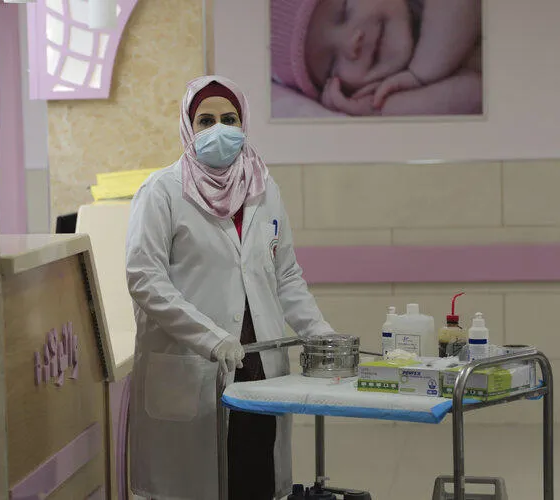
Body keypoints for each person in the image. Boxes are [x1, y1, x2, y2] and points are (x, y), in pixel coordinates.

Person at [125, 75, 334, 500]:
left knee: (253, 476)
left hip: (259, 367)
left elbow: (286, 274)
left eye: (229, 118)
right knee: (197, 484)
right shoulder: (162, 191)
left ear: (244, 123)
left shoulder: (262, 188)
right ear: (188, 126)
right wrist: (211, 337)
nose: (218, 129)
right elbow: (144, 277)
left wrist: (321, 336)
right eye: (205, 120)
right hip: (194, 366)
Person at [271, 0, 482, 117]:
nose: (351, 42)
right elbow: (478, 94)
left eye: (345, 11)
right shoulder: (397, 89)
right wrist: (380, 108)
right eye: (331, 64)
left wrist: (420, 74)